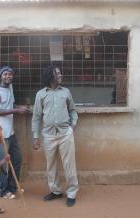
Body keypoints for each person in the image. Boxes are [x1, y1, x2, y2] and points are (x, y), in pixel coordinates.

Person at [32, 65, 79, 207]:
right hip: (48, 136)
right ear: (50, 76)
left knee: (69, 164)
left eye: (60, 73)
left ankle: (72, 193)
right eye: (57, 73)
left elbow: (73, 110)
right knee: (51, 164)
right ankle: (56, 191)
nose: (60, 75)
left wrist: (73, 125)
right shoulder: (41, 94)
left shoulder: (66, 92)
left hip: (65, 134)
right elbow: (36, 117)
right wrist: (36, 137)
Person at [0, 66, 30, 199]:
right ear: (1, 76)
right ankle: (3, 190)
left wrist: (19, 107)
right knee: (2, 163)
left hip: (10, 133)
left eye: (10, 74)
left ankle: (13, 187)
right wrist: (16, 111)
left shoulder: (10, 88)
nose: (8, 76)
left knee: (17, 158)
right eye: (5, 74)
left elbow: (10, 106)